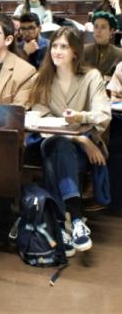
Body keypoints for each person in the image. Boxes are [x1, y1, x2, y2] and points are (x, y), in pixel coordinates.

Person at [26, 26, 111, 255]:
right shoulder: (41, 77)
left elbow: (104, 115)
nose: (57, 51)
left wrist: (81, 117)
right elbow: (39, 117)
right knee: (58, 145)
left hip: (78, 155)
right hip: (54, 143)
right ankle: (76, 219)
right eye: (54, 46)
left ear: (75, 51)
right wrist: (81, 139)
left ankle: (61, 223)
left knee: (57, 156)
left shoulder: (91, 76)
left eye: (64, 46)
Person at [83, 11, 122, 79]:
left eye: (103, 27)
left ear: (111, 31)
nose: (98, 31)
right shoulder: (84, 51)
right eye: (96, 27)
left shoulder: (119, 54)